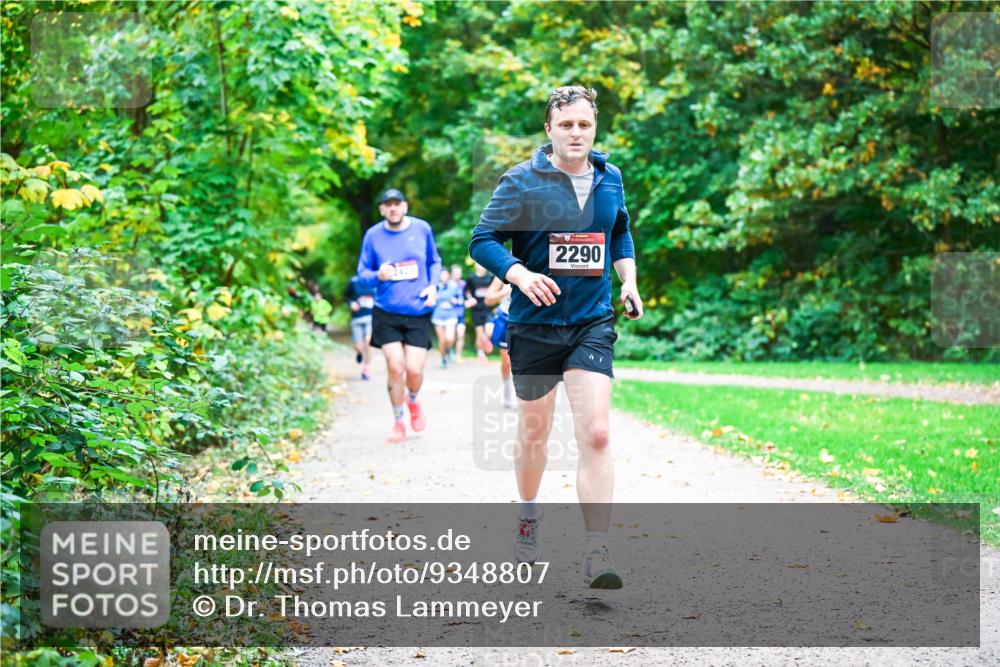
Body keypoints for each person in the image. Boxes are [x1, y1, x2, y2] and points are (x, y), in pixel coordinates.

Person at [470, 85, 643, 589]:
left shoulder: (610, 178)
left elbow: (619, 231)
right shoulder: (521, 180)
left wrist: (628, 280)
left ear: (595, 128)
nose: (576, 133)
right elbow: (482, 240)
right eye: (566, 124)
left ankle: (596, 550)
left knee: (597, 433)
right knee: (534, 433)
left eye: (584, 124)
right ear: (549, 129)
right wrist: (519, 274)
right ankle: (528, 517)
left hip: (591, 321)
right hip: (534, 325)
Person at [357, 188, 441, 443]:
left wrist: (433, 286)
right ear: (382, 209)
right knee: (395, 366)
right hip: (386, 311)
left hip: (417, 311)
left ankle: (412, 400)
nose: (393, 208)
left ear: (405, 206)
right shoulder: (373, 236)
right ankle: (398, 421)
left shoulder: (422, 229)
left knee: (414, 370)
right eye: (388, 204)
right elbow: (362, 273)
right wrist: (377, 275)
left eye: (397, 203)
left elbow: (434, 262)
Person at [483, 276, 515, 408]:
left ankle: (522, 395)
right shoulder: (505, 271)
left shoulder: (537, 268)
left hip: (528, 320)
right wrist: (504, 292)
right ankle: (507, 392)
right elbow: (488, 299)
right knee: (507, 362)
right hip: (506, 319)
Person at [344, 273, 375, 380]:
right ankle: (359, 352)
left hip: (371, 317)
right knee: (358, 346)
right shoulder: (353, 281)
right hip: (357, 318)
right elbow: (346, 296)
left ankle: (366, 368)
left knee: (369, 342)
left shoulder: (375, 280)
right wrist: (351, 303)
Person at [431, 268, 461, 368]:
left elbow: (460, 299)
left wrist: (456, 301)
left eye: (445, 275)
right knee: (442, 340)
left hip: (451, 314)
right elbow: (430, 300)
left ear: (449, 276)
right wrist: (434, 299)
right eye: (442, 275)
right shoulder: (436, 286)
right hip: (438, 315)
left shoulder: (454, 286)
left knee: (450, 338)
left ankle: (448, 349)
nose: (444, 277)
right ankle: (443, 358)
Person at [463, 263, 494, 361]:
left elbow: (496, 289)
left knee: (489, 331)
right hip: (476, 310)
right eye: (479, 265)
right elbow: (466, 292)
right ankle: (480, 354)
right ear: (476, 266)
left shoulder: (490, 277)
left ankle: (485, 339)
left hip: (488, 309)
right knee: (479, 333)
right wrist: (470, 298)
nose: (481, 266)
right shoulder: (471, 278)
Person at [451, 264, 467, 363]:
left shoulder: (464, 284)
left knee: (461, 334)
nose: (458, 276)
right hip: (449, 314)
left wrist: (470, 300)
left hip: (461, 314)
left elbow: (469, 296)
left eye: (459, 274)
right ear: (452, 274)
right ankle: (448, 351)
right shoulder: (448, 284)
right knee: (451, 337)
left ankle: (458, 355)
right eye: (456, 274)